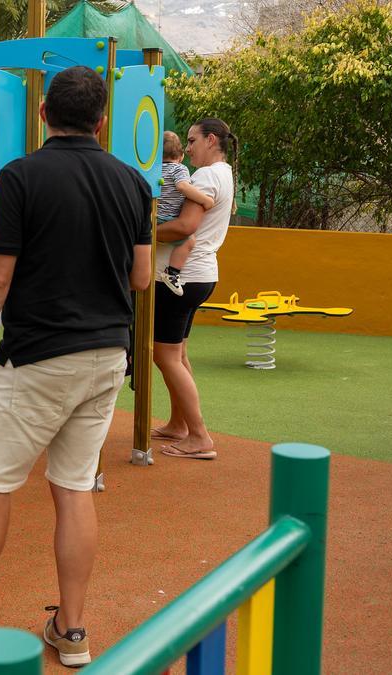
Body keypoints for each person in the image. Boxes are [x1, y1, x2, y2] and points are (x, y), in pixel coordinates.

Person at [0, 66, 152, 668]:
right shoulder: (131, 183)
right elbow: (142, 277)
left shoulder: (21, 177)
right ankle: (71, 632)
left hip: (36, 357)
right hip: (105, 358)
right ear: (103, 119)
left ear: (44, 114)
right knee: (74, 489)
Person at [151, 118, 237, 460]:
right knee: (177, 354)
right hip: (199, 274)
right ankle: (179, 423)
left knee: (165, 355)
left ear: (210, 140)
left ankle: (199, 436)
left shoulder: (204, 176)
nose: (187, 149)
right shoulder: (225, 173)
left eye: (192, 141)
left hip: (181, 277)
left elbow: (185, 226)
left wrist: (138, 234)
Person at [156, 131, 215, 296]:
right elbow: (182, 187)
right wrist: (205, 200)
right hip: (168, 219)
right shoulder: (179, 169)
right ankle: (172, 273)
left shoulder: (155, 169)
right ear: (181, 156)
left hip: (154, 216)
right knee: (189, 240)